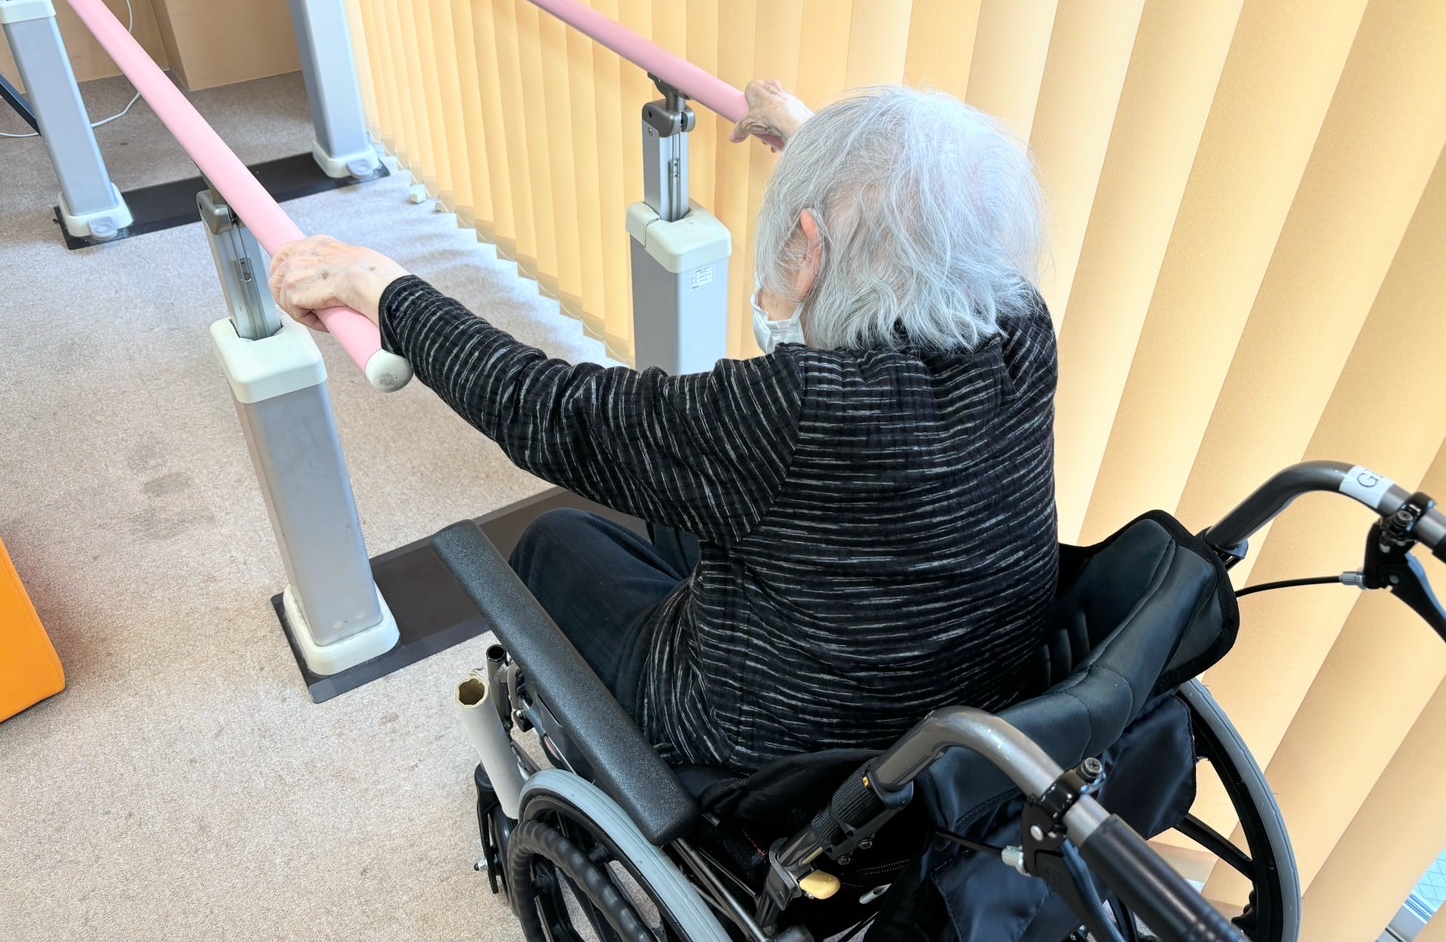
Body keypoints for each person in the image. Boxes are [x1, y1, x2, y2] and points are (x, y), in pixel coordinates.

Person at [269, 79, 1057, 775]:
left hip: (780, 742)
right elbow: (922, 231)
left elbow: (541, 407)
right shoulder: (1022, 330)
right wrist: (816, 145)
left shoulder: (793, 410)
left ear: (810, 246)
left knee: (559, 542)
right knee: (675, 504)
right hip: (969, 704)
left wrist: (385, 290)